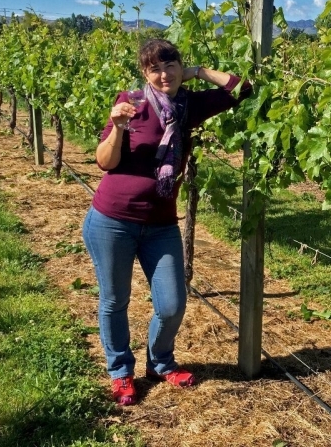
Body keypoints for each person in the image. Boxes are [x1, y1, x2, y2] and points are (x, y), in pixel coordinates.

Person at [82, 38, 252, 406]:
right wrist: (118, 127)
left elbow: (243, 88)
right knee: (115, 300)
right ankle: (120, 372)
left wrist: (199, 72)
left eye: (170, 65)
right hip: (112, 219)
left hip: (160, 224)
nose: (163, 74)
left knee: (173, 303)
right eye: (154, 69)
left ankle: (159, 362)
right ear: (144, 73)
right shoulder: (130, 102)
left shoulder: (188, 105)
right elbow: (105, 163)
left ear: (180, 66)